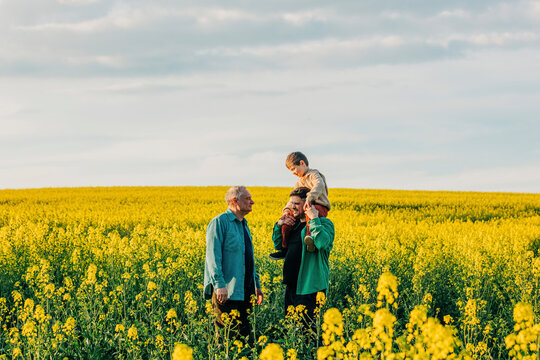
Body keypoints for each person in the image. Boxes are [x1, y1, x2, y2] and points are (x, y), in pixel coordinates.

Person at [203, 186, 264, 340]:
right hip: (226, 290)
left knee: (244, 336)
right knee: (227, 336)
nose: (252, 202)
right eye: (248, 199)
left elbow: (248, 258)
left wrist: (256, 285)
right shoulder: (219, 222)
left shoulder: (244, 224)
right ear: (235, 201)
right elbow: (212, 256)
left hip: (246, 289)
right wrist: (219, 284)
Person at [272, 187, 335, 334]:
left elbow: (322, 244)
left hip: (310, 287)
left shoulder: (324, 223)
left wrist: (313, 219)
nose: (292, 207)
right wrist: (280, 225)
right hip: (292, 286)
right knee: (292, 331)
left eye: (296, 203)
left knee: (307, 333)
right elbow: (278, 244)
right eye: (291, 203)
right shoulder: (293, 225)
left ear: (308, 204)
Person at [269, 152, 331, 260]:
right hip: (304, 207)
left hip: (318, 206)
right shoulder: (299, 182)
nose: (293, 173)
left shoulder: (314, 174)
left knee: (310, 217)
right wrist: (287, 210)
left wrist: (310, 197)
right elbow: (293, 199)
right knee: (288, 221)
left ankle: (310, 240)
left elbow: (319, 185)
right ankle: (283, 249)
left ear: (302, 163)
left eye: (293, 169)